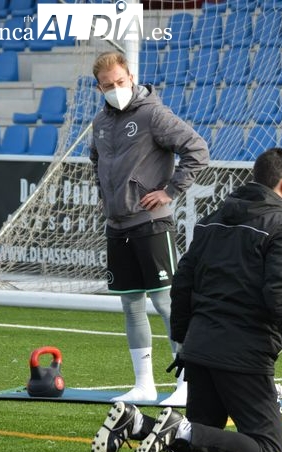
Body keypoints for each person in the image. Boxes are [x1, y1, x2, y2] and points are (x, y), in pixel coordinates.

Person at [91, 147, 282, 452]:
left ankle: (138, 424)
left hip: (200, 351)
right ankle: (176, 426)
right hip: (244, 354)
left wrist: (183, 344)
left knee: (197, 441)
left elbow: (182, 283)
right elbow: (281, 294)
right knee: (268, 451)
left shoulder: (213, 218)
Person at [90, 51, 210, 405]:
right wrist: (108, 201)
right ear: (99, 87)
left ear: (131, 76)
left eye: (120, 81)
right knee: (130, 305)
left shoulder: (153, 114)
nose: (116, 89)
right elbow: (95, 161)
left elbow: (197, 150)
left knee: (167, 303)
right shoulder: (99, 122)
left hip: (152, 224)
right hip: (118, 225)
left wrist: (170, 191)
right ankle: (144, 385)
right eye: (108, 85)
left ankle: (187, 383)